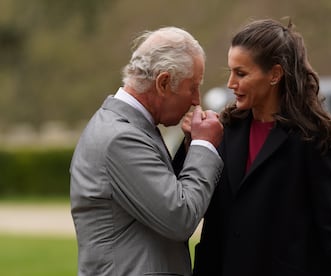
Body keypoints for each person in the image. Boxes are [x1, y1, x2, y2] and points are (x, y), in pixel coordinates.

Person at [192, 19, 331, 276]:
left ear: (275, 75)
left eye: (241, 73)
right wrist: (194, 141)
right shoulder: (225, 130)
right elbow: (201, 212)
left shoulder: (311, 138)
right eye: (230, 71)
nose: (231, 83)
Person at [70, 26, 224, 276]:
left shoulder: (128, 128)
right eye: (192, 87)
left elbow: (161, 198)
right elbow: (180, 216)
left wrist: (190, 146)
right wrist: (203, 145)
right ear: (163, 83)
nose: (196, 100)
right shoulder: (120, 138)